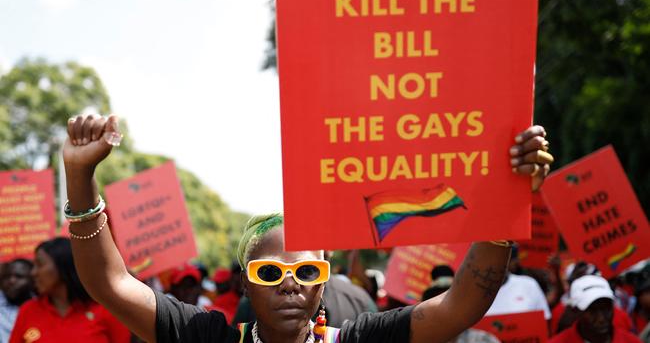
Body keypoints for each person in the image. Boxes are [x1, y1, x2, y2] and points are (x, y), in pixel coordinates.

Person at [62, 114, 553, 343]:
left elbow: (461, 305)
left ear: (325, 277)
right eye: (272, 273)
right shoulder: (210, 338)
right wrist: (80, 176)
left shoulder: (357, 340)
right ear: (248, 282)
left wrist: (505, 204)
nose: (291, 283)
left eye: (306, 271)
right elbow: (110, 283)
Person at [9, 237, 131, 343]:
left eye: (40, 264)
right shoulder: (28, 311)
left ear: (63, 266)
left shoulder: (105, 310)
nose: (33, 272)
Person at [549, 275, 641, 343]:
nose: (601, 318)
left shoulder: (632, 341)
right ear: (576, 311)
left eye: (606, 309)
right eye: (592, 310)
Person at [0, 259, 35, 343]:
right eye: (6, 277)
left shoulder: (44, 306)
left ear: (33, 280)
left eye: (19, 276)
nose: (11, 281)